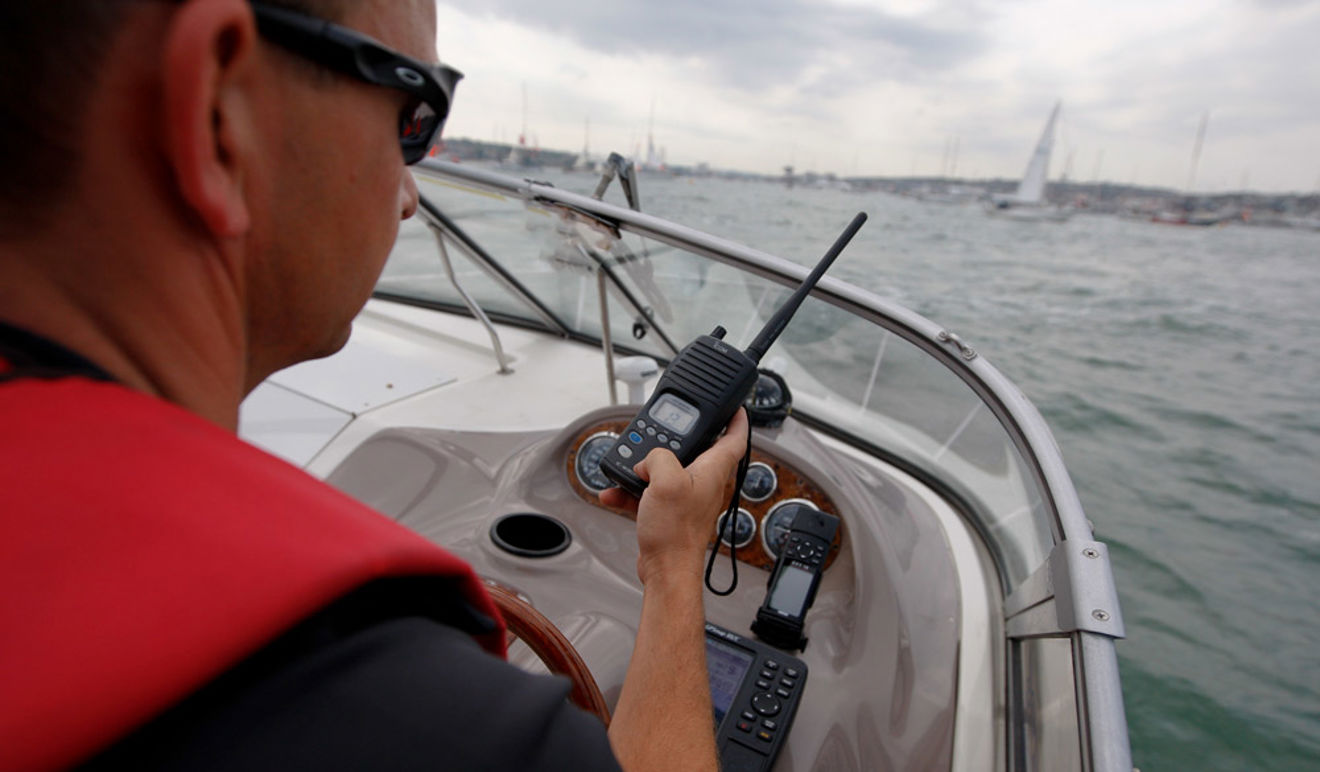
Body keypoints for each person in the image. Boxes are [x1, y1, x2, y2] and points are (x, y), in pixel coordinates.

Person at [0, 1, 748, 770]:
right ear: (218, 109)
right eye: (414, 116)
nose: (411, 196)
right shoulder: (426, 724)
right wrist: (673, 563)